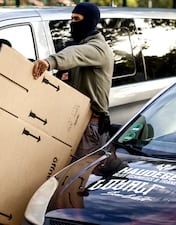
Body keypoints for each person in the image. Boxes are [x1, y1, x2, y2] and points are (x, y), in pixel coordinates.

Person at [32, 2, 114, 161]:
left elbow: (74, 54)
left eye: (77, 19)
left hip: (91, 126)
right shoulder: (82, 45)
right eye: (71, 19)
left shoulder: (98, 49)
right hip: (74, 121)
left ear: (89, 21)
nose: (72, 23)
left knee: (81, 174)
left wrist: (51, 62)